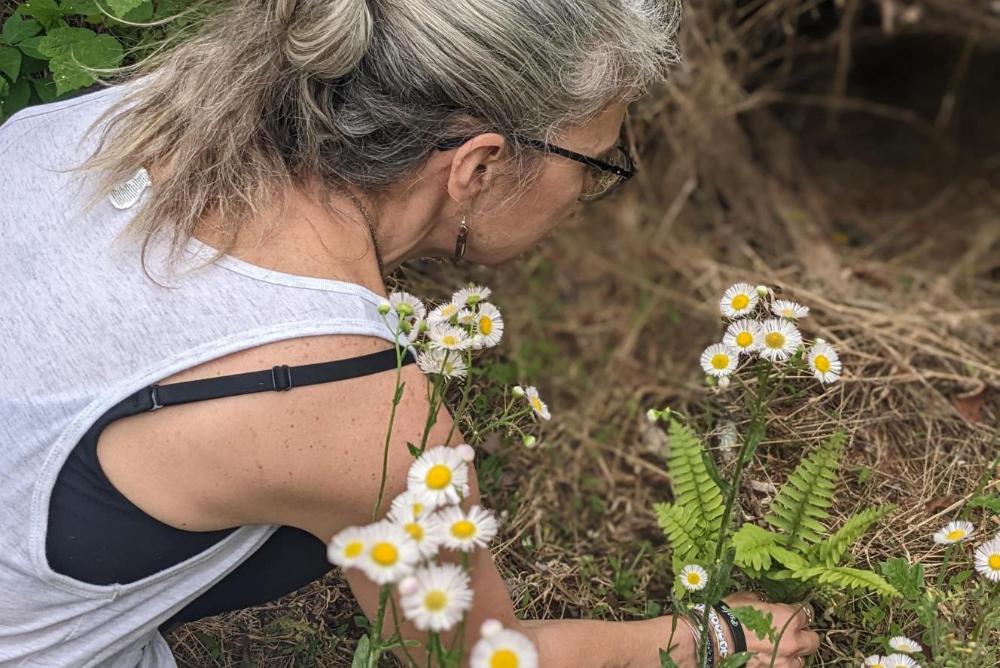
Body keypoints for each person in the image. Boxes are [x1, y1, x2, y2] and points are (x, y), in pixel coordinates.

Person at [0, 0, 820, 666]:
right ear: (479, 167)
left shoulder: (123, 117)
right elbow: (482, 660)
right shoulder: (348, 402)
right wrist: (706, 641)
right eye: (594, 167)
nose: (584, 198)